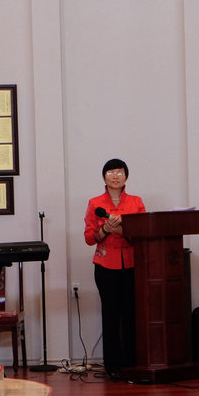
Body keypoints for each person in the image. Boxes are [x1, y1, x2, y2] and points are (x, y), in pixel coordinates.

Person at [83, 158, 145, 378]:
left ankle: (132, 363)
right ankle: (113, 366)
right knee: (110, 315)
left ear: (126, 176)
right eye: (110, 172)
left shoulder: (136, 202)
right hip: (105, 264)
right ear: (104, 177)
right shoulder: (95, 203)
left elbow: (143, 232)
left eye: (120, 172)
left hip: (131, 264)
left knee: (131, 314)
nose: (115, 176)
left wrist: (121, 230)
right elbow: (89, 238)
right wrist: (106, 230)